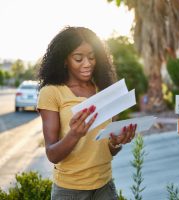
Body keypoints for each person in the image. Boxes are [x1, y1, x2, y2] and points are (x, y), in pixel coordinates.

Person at [37, 26, 137, 200]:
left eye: (92, 57)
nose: (87, 63)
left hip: (105, 186)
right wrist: (74, 134)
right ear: (64, 60)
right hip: (70, 191)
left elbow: (108, 150)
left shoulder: (104, 89)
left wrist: (116, 143)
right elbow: (52, 154)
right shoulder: (52, 92)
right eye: (78, 58)